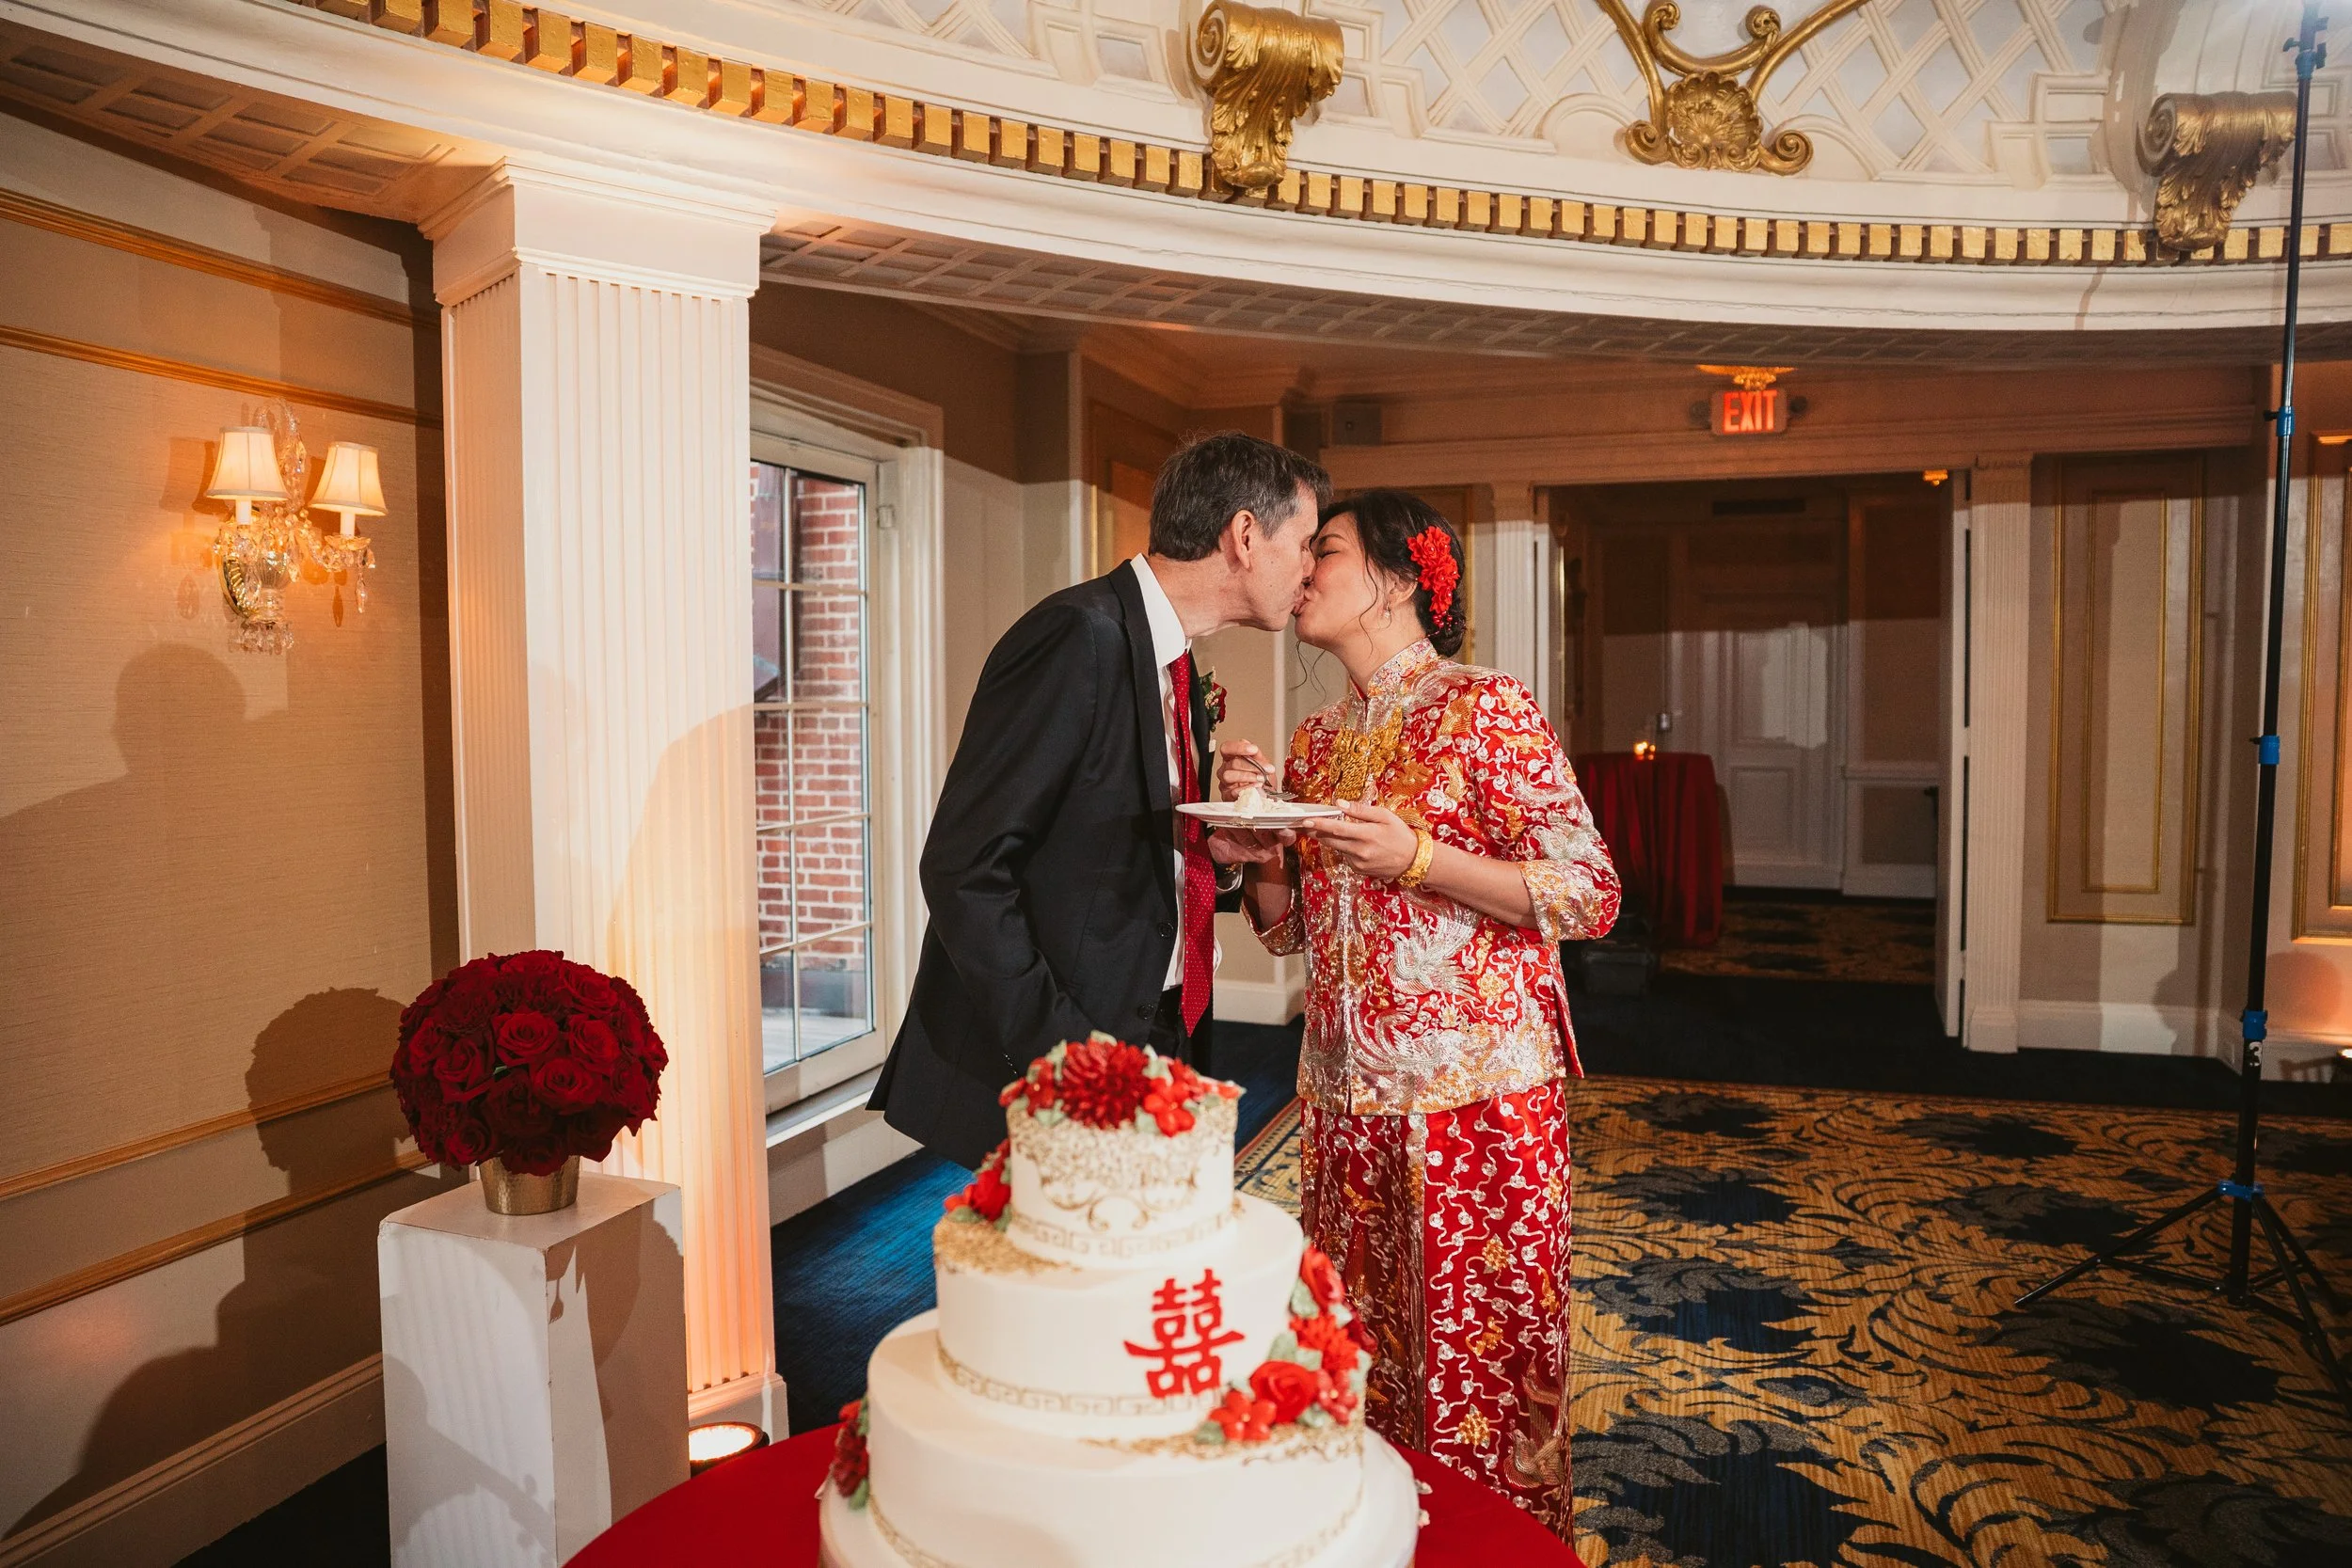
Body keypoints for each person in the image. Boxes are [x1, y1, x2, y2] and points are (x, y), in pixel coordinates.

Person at [1220, 488, 1619, 1540]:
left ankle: (1493, 1545)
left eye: (1329, 552)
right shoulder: (1317, 736)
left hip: (1473, 1101)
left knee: (1480, 1361)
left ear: (1400, 580)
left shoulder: (1483, 705)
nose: (1304, 570)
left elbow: (1589, 890)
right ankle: (1379, 1535)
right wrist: (1261, 846)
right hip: (1344, 1104)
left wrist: (1424, 859)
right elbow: (1286, 932)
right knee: (1361, 1351)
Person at [870, 432, 1330, 1170]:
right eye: (1305, 543)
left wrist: (1218, 850)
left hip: (1158, 1031)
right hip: (1065, 1052)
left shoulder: (1176, 660)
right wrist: (1068, 1054)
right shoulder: (1075, 636)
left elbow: (1099, 842)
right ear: (1245, 536)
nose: (1309, 568)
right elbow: (963, 867)